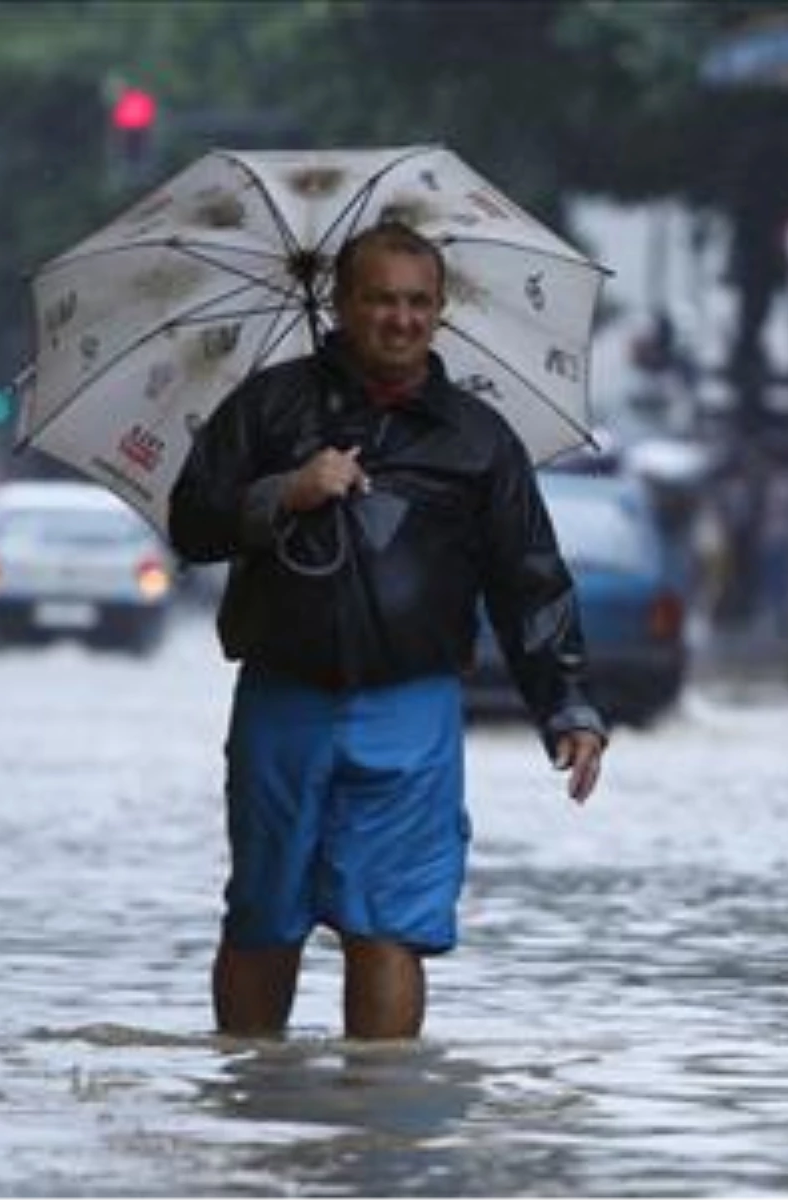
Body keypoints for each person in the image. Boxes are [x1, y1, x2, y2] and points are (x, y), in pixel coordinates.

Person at [168, 221, 607, 1041]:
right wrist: (286, 492)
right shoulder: (268, 406)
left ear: (440, 311)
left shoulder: (480, 441)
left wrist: (569, 706)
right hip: (282, 696)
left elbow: (531, 582)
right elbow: (191, 523)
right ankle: (252, 1105)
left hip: (413, 706)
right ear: (342, 304)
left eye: (418, 302)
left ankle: (379, 1133)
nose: (400, 319)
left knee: (389, 924)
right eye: (380, 300)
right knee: (265, 913)